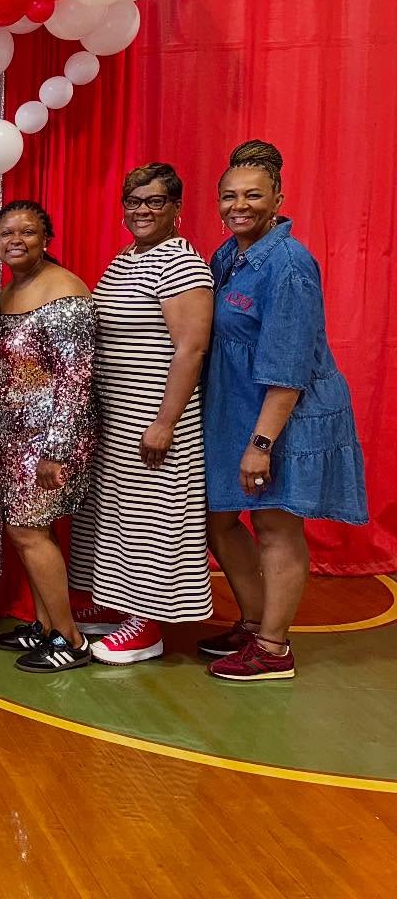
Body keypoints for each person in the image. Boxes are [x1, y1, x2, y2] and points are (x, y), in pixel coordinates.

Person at [201, 140, 367, 680]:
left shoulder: (289, 265)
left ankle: (273, 649)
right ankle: (254, 623)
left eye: (253, 195)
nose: (239, 205)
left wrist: (261, 444)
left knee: (274, 526)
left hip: (283, 414)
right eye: (229, 196)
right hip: (238, 408)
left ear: (278, 199)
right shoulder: (229, 254)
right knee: (220, 520)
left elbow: (288, 366)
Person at [69, 163, 214, 664]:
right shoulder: (128, 257)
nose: (142, 211)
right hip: (117, 410)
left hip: (154, 411)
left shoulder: (182, 263)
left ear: (176, 208)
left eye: (154, 202)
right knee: (116, 518)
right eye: (134, 201)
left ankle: (148, 625)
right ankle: (117, 605)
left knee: (151, 518)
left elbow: (191, 349)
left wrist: (165, 422)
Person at [0, 201, 98, 673]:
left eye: (27, 231)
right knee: (27, 532)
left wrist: (56, 450)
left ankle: (69, 639)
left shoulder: (64, 291)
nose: (16, 240)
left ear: (46, 238)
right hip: (13, 436)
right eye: (7, 232)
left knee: (28, 532)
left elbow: (76, 379)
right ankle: (45, 626)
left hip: (49, 437)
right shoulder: (9, 292)